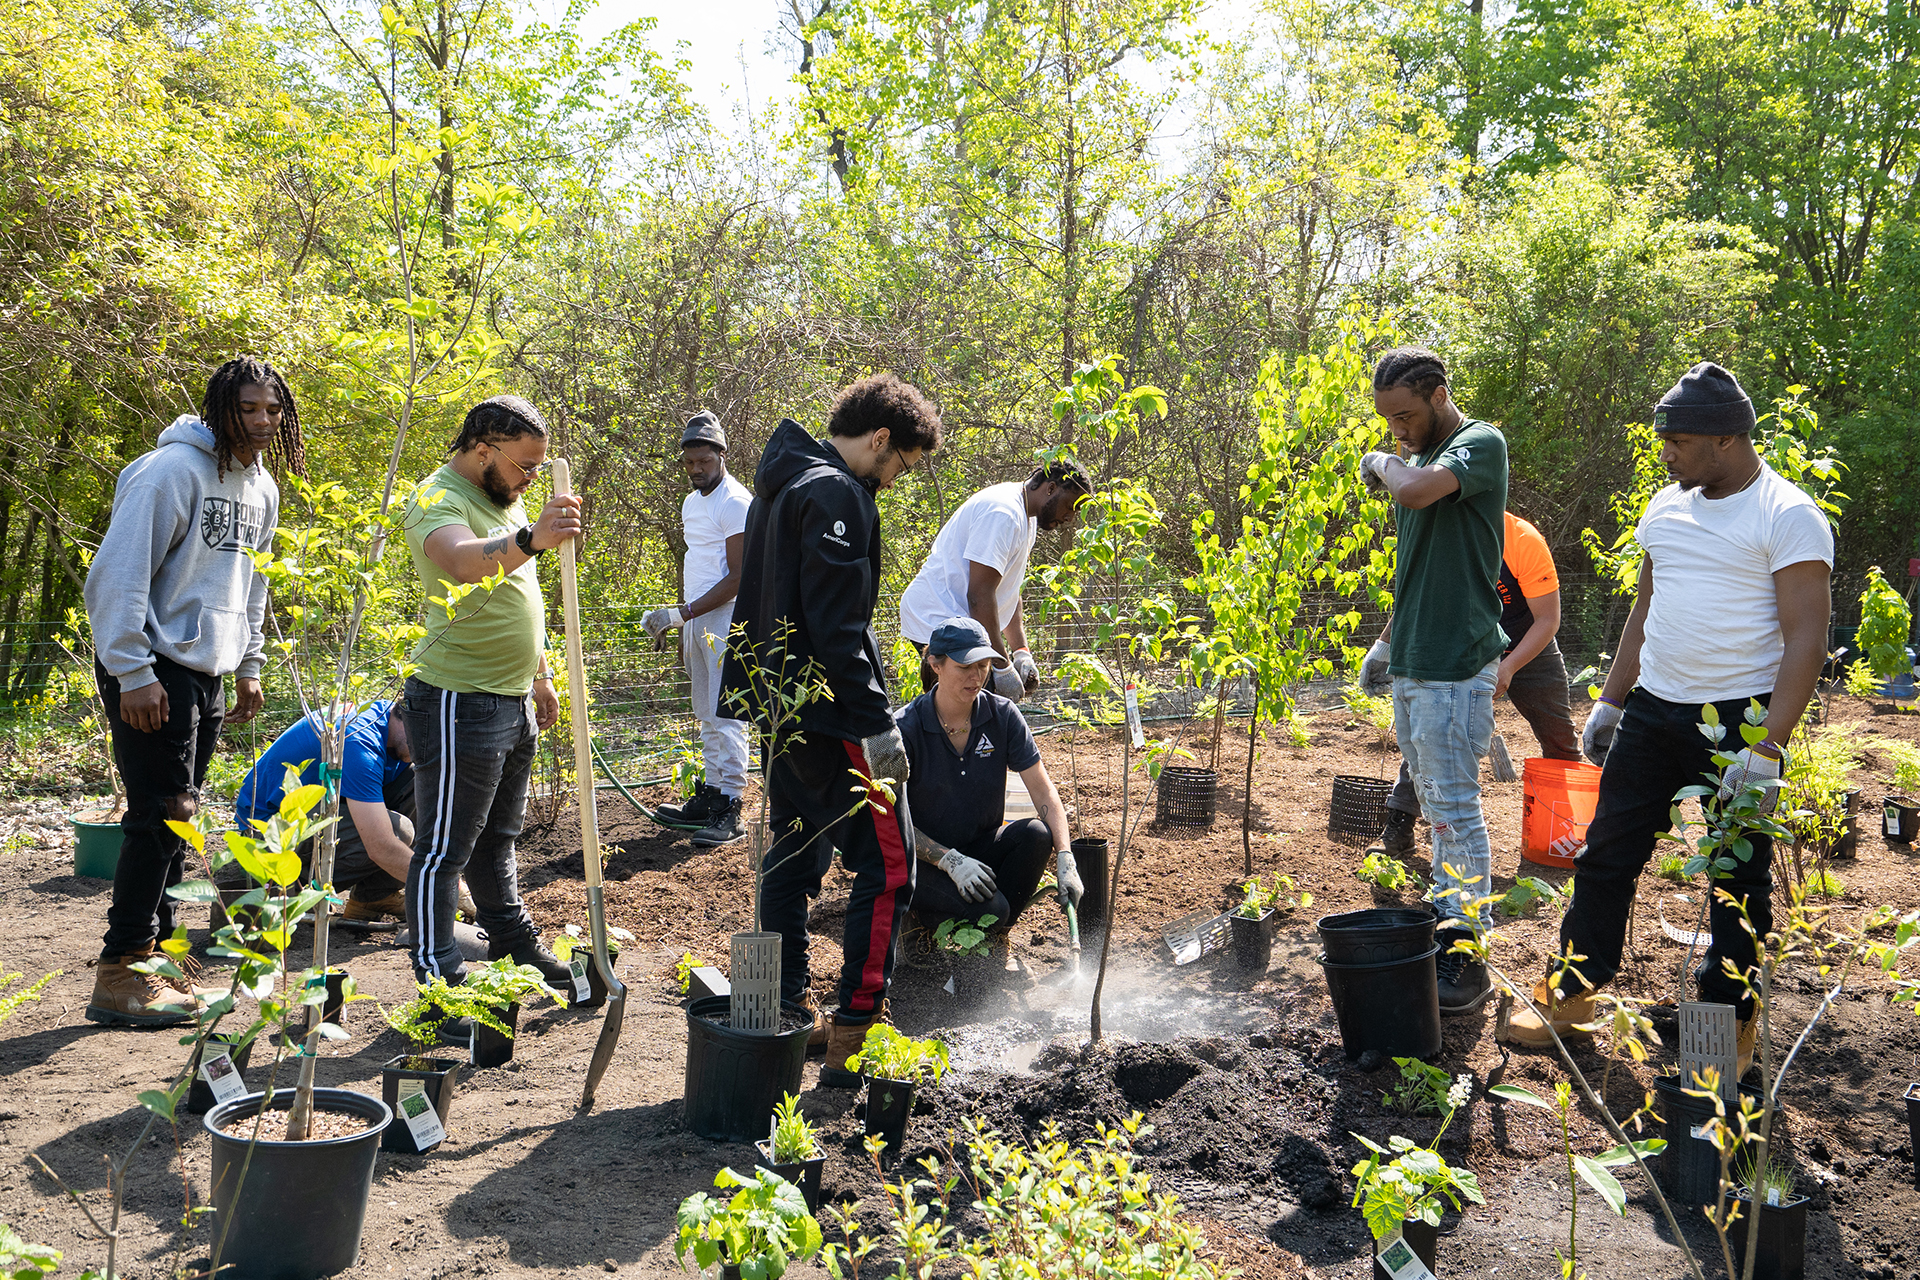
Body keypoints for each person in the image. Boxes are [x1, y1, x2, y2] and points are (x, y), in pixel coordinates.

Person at [1502, 363, 1832, 1080]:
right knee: (1605, 855)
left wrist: (1768, 748)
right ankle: (1573, 991)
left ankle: (1727, 1026)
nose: (1666, 453)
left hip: (1740, 724)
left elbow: (1806, 638)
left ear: (1727, 438)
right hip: (1654, 711)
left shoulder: (1787, 515)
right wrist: (1613, 700)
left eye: (1679, 440)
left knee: (1736, 881)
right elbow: (1645, 611)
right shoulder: (1666, 507)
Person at [720, 373, 943, 1083]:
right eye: (901, 464)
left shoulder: (782, 482)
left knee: (791, 854)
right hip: (834, 716)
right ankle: (857, 1027)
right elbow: (838, 627)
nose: (896, 478)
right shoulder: (838, 494)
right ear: (880, 439)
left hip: (783, 714)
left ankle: (782, 1015)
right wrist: (877, 724)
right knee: (890, 867)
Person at [83, 355, 301, 1027]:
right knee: (160, 811)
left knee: (181, 813)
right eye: (249, 409)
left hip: (207, 665)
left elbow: (252, 583)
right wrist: (133, 671)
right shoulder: (169, 472)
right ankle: (121, 973)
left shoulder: (261, 486)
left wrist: (249, 662)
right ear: (219, 409)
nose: (264, 422)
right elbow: (115, 578)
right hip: (153, 660)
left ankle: (164, 963)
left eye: (274, 410)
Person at [398, 394, 582, 995]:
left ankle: (510, 942)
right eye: (523, 465)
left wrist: (541, 673)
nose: (529, 478)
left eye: (536, 468)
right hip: (458, 699)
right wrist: (533, 537)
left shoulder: (505, 494)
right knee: (444, 848)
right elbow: (460, 561)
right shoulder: (436, 499)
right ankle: (437, 977)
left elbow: (520, 591)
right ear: (483, 451)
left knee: (498, 839)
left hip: (511, 697)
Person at [1356, 346, 1509, 1015]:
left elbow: (1414, 490)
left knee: (1454, 807)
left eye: (1407, 415)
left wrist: (1381, 464)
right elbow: (1417, 568)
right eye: (1388, 420)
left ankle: (1466, 951)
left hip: (1455, 662)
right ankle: (1449, 913)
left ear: (1439, 394)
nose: (1398, 429)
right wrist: (1387, 641)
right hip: (1417, 658)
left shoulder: (1478, 445)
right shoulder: (1417, 460)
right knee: (1432, 801)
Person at [1367, 510, 1581, 858]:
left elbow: (1548, 619)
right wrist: (1383, 647)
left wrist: (1509, 667)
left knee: (1559, 739)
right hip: (1463, 646)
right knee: (1430, 731)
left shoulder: (1522, 540)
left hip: (1527, 643)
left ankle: (1570, 832)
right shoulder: (1441, 534)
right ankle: (1400, 827)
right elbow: (1414, 596)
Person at [897, 618, 1081, 941]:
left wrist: (1066, 857)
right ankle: (920, 926)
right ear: (935, 665)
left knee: (1037, 834)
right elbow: (891, 822)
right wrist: (949, 860)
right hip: (921, 863)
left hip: (979, 849)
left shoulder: (1002, 715)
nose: (977, 676)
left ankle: (994, 938)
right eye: (965, 665)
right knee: (992, 909)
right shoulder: (907, 728)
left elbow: (1043, 791)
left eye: (983, 665)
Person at [642, 412, 753, 846]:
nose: (695, 470)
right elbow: (701, 566)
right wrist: (677, 619)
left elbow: (739, 577)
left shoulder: (736, 502)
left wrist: (681, 614)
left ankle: (733, 807)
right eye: (689, 462)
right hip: (695, 618)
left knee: (728, 714)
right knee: (706, 712)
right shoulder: (693, 502)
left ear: (722, 454)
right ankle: (712, 794)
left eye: (703, 461)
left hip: (726, 620)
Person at [897, 459, 1092, 696]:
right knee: (966, 703)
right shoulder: (1003, 513)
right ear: (1050, 488)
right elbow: (979, 595)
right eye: (1071, 506)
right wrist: (1002, 666)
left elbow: (1008, 590)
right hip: (937, 616)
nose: (1070, 517)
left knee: (980, 706)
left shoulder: (1025, 516)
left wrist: (1020, 651)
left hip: (964, 620)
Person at [233, 698, 437, 923]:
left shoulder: (391, 717)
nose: (431, 749)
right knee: (400, 832)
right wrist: (444, 888)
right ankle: (295, 891)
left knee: (427, 782)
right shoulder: (358, 739)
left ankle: (375, 897)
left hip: (320, 807)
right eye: (429, 741)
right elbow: (381, 846)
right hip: (269, 835)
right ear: (411, 723)